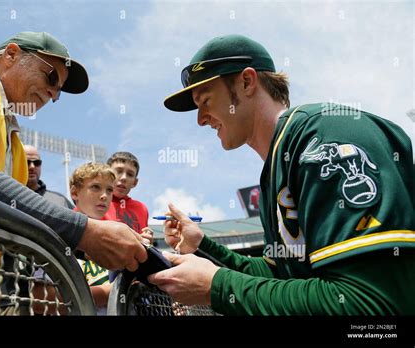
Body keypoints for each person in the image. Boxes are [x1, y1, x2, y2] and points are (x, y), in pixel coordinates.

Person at [148, 34, 415, 315]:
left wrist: (219, 287)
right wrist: (203, 245)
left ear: (247, 82)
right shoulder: (276, 168)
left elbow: (376, 305)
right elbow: (281, 273)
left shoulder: (325, 133)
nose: (201, 119)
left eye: (206, 101)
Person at [0, 31, 147, 315]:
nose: (53, 94)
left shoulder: (13, 142)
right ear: (11, 54)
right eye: (51, 77)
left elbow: (9, 224)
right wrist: (83, 231)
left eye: (59, 90)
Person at [69, 162, 116, 315]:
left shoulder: (114, 238)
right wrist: (111, 292)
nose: (104, 196)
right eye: (95, 187)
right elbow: (43, 298)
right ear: (75, 193)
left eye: (109, 190)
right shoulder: (60, 235)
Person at [105, 152, 153, 242]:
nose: (124, 178)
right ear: (107, 174)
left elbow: (143, 243)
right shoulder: (94, 202)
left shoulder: (141, 208)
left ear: (135, 182)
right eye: (118, 171)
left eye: (130, 174)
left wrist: (148, 242)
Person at [24, 144, 74, 209]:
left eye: (37, 163)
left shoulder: (60, 201)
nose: (32, 166)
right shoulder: (8, 196)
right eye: (27, 162)